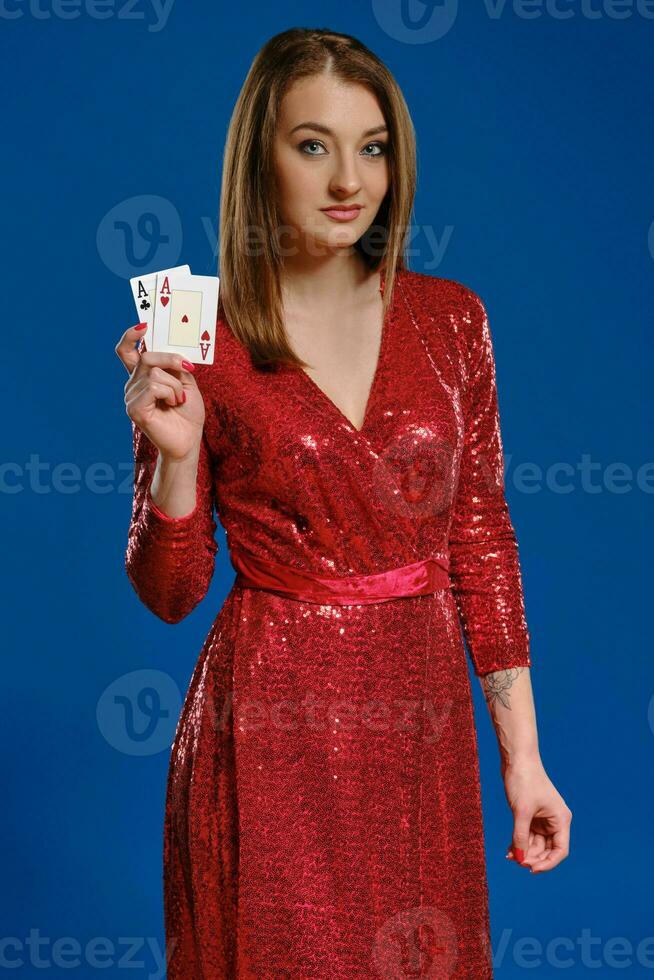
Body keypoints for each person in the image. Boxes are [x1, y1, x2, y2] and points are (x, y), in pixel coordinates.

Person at [115, 27, 571, 980]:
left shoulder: (452, 319)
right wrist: (178, 460)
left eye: (372, 146)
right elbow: (169, 591)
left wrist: (523, 760)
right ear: (260, 156)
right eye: (312, 143)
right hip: (270, 722)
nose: (346, 180)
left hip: (420, 723)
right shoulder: (190, 327)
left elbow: (481, 539)